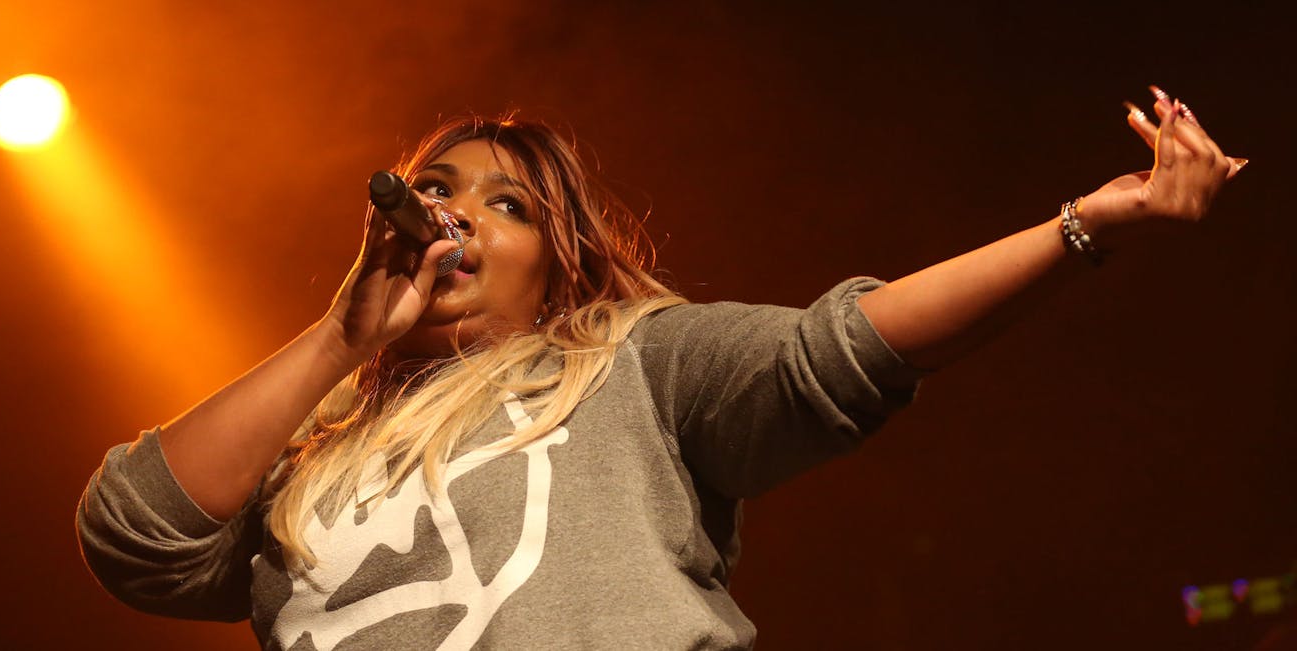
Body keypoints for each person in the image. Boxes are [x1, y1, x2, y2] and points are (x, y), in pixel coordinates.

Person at [77, 88, 1242, 649]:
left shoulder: (624, 363)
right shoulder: (302, 459)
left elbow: (842, 346)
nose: (450, 216)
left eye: (505, 203)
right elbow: (135, 531)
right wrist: (343, 335)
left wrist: (1083, 226)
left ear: (558, 260)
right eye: (433, 192)